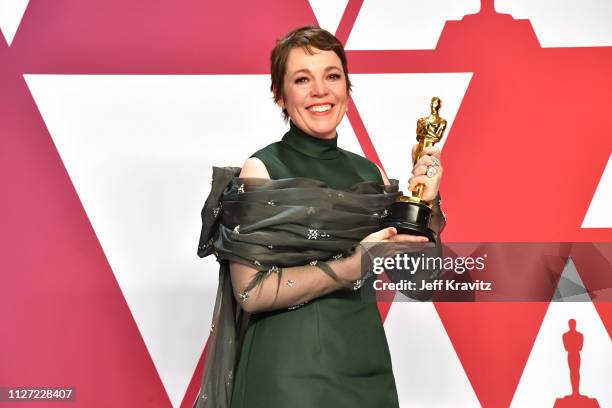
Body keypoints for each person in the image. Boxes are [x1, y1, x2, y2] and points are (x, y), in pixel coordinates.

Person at [195, 26, 445, 408]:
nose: (320, 91)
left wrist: (425, 202)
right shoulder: (262, 170)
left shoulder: (370, 174)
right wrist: (357, 263)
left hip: (366, 373)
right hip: (285, 378)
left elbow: (418, 283)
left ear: (347, 85)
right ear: (280, 95)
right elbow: (251, 293)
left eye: (332, 76)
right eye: (301, 79)